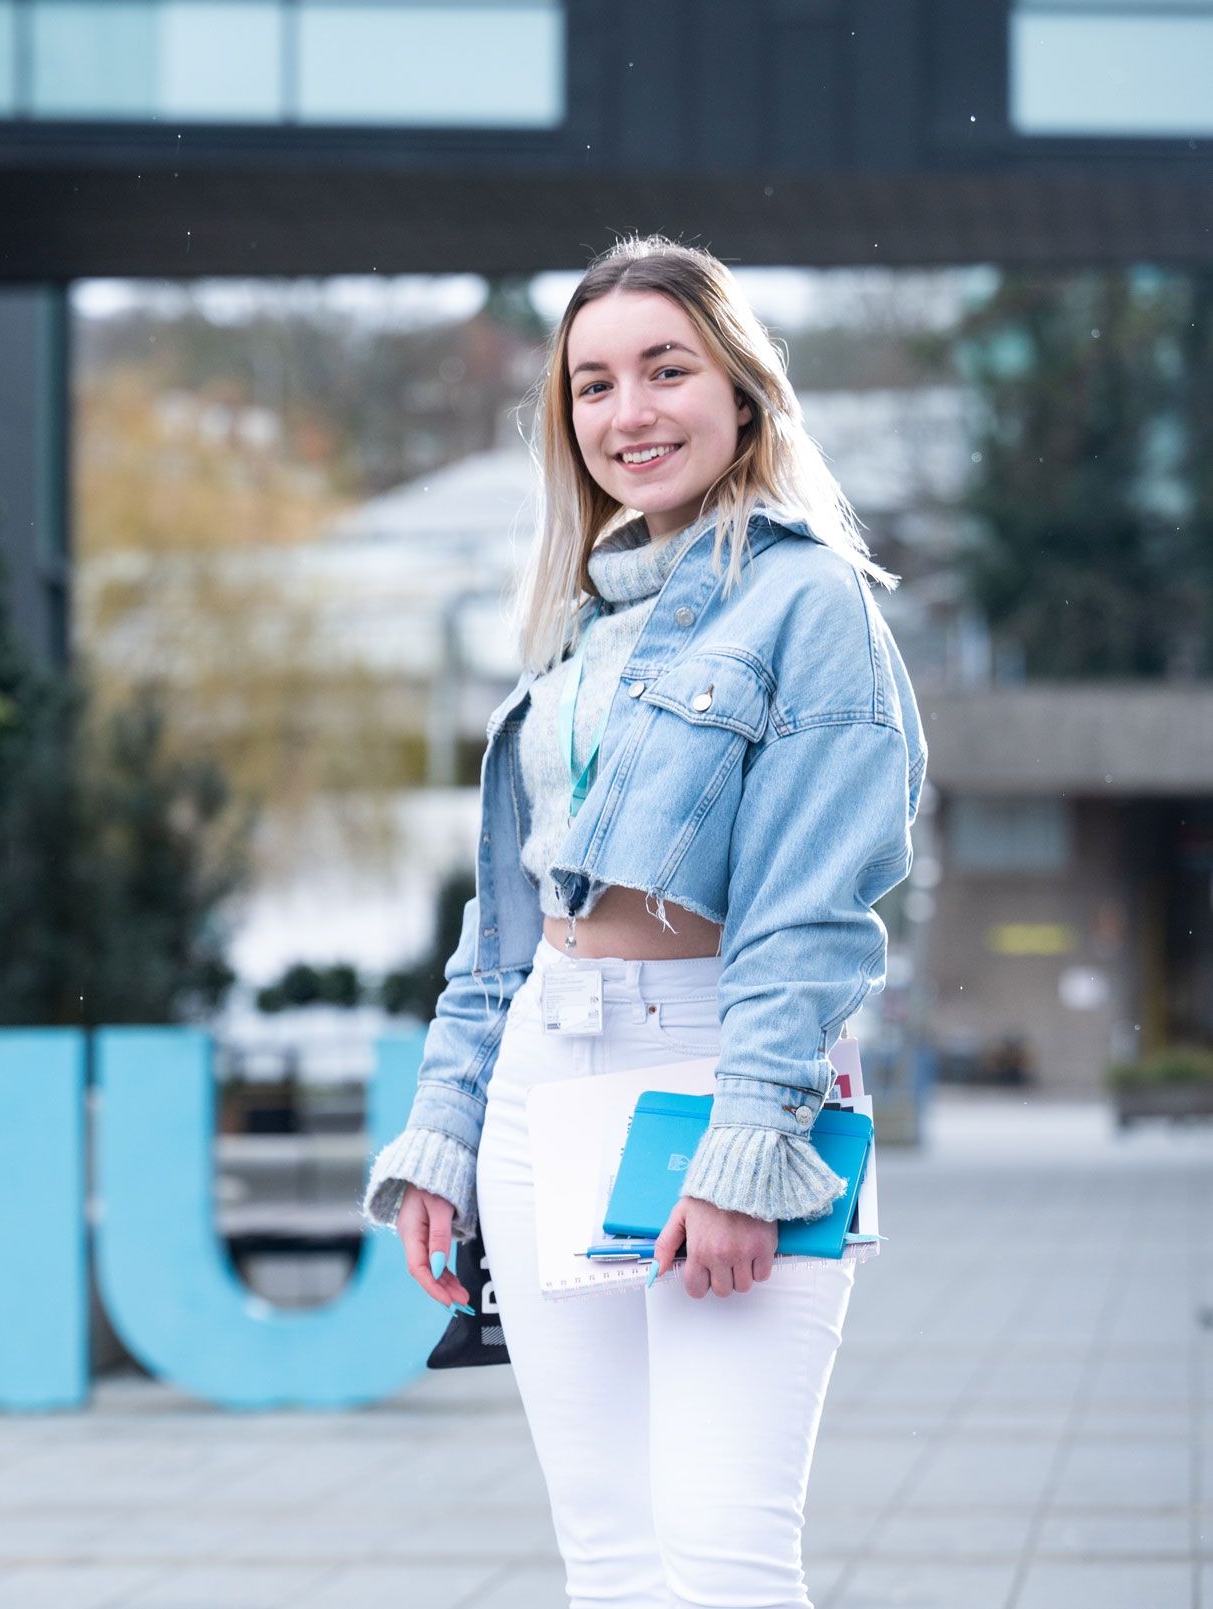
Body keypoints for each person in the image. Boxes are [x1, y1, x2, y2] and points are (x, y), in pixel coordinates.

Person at [361, 235, 927, 1609]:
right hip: (540, 1082)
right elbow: (506, 921)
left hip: (717, 1070)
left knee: (725, 1558)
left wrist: (749, 1145)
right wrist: (444, 1126)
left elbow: (809, 914)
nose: (631, 413)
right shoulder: (579, 624)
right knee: (611, 1562)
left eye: (667, 370)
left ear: (742, 389)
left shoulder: (812, 603)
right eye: (595, 384)